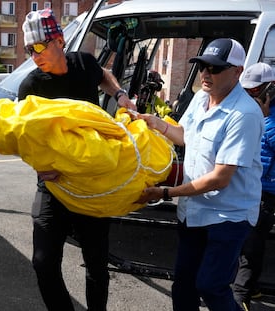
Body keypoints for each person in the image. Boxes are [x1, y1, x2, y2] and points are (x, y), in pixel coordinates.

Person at [17, 8, 136, 311]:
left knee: (96, 263)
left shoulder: (83, 63)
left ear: (58, 41)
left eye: (39, 47)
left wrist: (120, 94)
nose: (34, 55)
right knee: (43, 262)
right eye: (28, 49)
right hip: (54, 184)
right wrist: (39, 166)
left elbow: (104, 76)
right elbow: (22, 136)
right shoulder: (32, 87)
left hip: (92, 181)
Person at [136, 38, 264, 311]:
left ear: (237, 71)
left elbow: (220, 178)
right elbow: (185, 137)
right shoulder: (200, 98)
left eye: (215, 68)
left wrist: (166, 193)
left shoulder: (244, 114)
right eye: (203, 66)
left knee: (211, 285)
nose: (206, 74)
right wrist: (155, 123)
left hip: (227, 216)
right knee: (183, 284)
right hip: (194, 212)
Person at [232, 62, 275, 311]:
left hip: (264, 191)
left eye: (255, 91)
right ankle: (252, 289)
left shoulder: (266, 116)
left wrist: (263, 116)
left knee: (251, 246)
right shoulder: (257, 109)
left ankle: (240, 299)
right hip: (252, 185)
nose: (251, 95)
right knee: (250, 242)